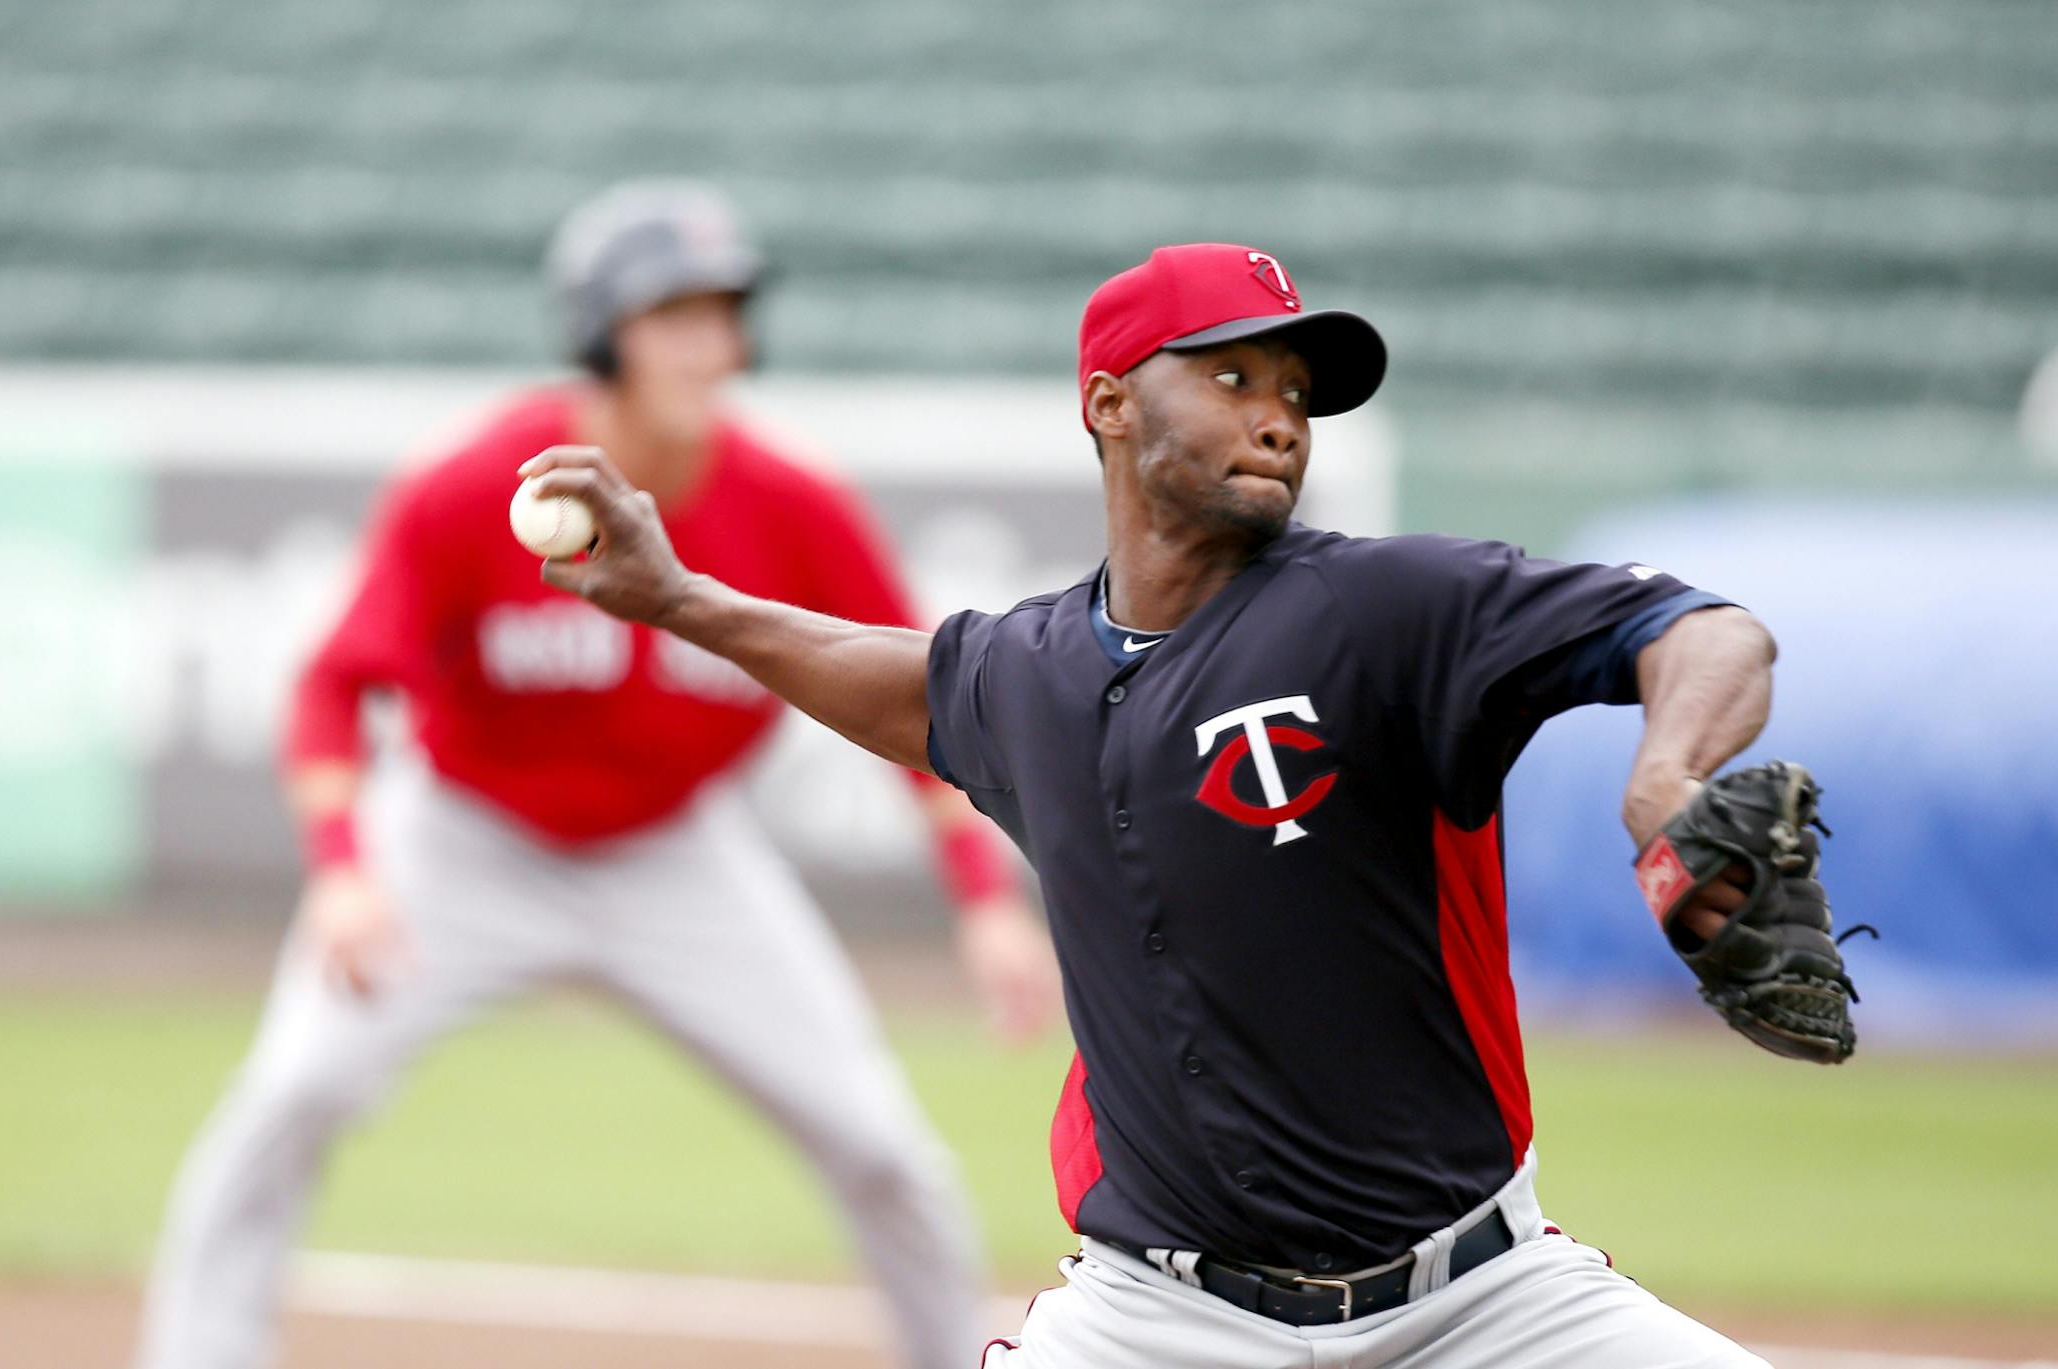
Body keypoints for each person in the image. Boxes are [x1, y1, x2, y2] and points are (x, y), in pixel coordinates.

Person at [521, 241, 1806, 1367]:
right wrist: (678, 598)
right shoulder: (1025, 675)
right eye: (1234, 376)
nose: (1280, 417)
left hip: (1479, 1303)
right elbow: (884, 676)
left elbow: (1699, 627)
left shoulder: (1389, 610)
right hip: (1160, 1319)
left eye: (1298, 392)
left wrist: (1667, 777)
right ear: (1111, 403)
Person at [135, 182, 1058, 1369]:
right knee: (289, 1099)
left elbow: (925, 700)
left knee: (880, 1145)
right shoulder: (476, 485)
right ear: (597, 330)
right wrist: (345, 871)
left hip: (678, 854)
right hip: (462, 839)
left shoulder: (790, 505)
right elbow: (329, 688)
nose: (704, 340)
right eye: (669, 311)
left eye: (720, 312)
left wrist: (984, 899)